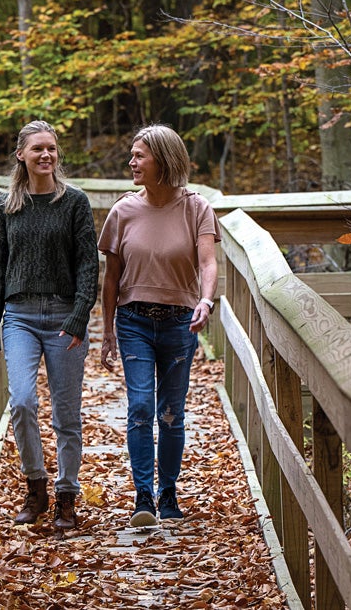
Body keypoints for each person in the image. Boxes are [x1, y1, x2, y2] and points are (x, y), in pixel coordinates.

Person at [98, 124, 219, 527]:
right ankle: (143, 498)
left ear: (163, 161)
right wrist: (108, 330)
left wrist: (205, 299)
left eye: (139, 156)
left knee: (170, 413)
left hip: (180, 325)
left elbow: (207, 262)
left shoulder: (196, 207)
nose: (131, 162)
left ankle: (169, 493)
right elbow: (111, 278)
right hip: (134, 321)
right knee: (139, 408)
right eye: (132, 155)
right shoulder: (124, 211)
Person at [0, 121, 99, 531]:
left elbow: (88, 264)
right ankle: (36, 486)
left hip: (65, 316)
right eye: (38, 150)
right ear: (22, 155)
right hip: (20, 318)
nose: (46, 155)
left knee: (67, 414)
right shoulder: (6, 207)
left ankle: (67, 494)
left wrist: (80, 316)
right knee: (23, 401)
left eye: (51, 148)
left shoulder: (74, 202)